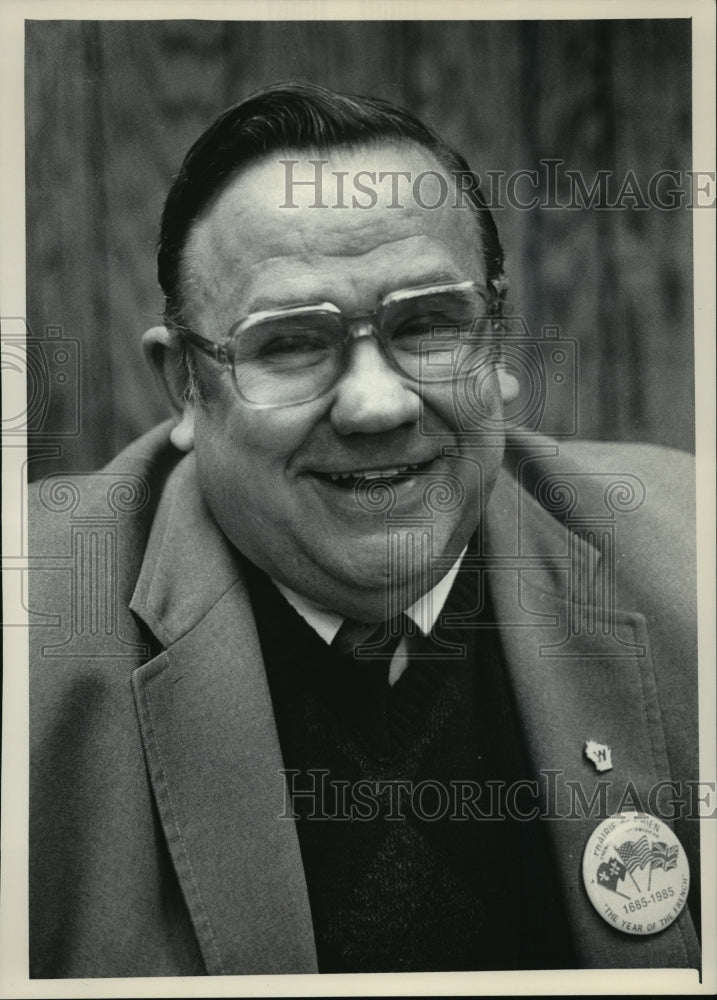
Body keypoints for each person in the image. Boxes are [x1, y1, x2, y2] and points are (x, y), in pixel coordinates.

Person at [29, 83, 700, 978]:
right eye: (292, 342)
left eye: (427, 325)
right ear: (185, 384)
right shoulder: (30, 638)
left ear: (495, 344)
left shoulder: (693, 559)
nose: (377, 404)